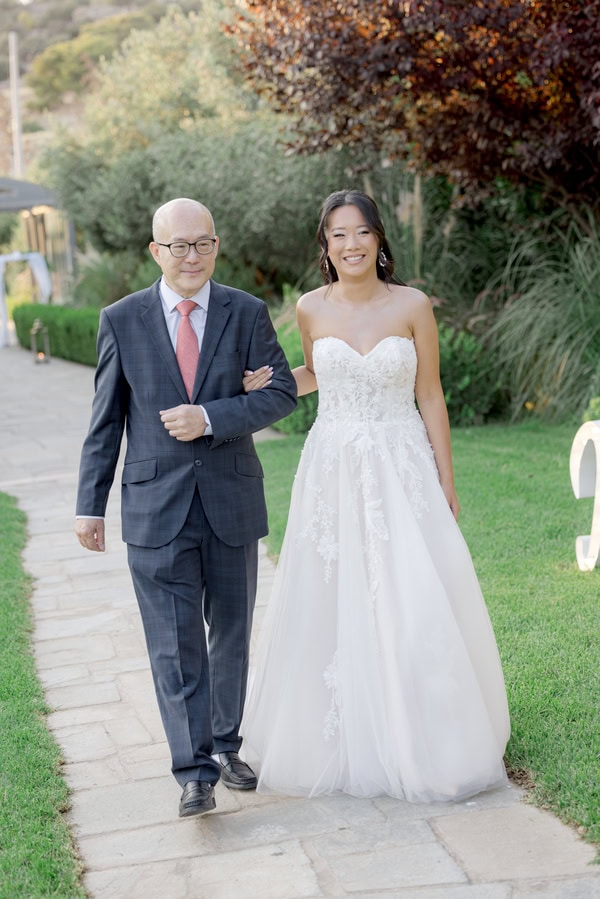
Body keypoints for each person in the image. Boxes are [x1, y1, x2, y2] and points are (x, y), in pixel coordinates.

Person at [240, 189, 510, 802]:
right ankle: (338, 738)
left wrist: (445, 477)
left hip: (401, 463)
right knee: (332, 595)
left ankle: (428, 736)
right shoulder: (310, 308)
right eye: (338, 235)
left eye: (361, 232)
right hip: (332, 467)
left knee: (411, 594)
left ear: (379, 238)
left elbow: (430, 394)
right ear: (326, 246)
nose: (351, 244)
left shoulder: (412, 305)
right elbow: (317, 374)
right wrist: (272, 382)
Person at [75, 198, 297, 818]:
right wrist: (89, 505)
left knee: (231, 636)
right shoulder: (121, 319)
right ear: (156, 251)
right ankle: (193, 772)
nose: (191, 256)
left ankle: (226, 746)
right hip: (155, 507)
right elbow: (105, 421)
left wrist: (211, 417)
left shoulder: (246, 313)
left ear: (216, 246)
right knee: (174, 645)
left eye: (202, 243)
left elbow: (282, 393)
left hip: (231, 499)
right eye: (178, 245)